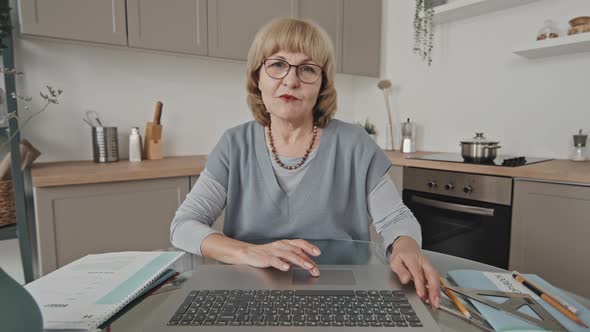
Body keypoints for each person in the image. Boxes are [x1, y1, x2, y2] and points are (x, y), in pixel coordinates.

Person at [171, 18, 441, 308]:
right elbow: (184, 225)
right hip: (250, 292)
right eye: (277, 65)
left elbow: (396, 219)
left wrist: (406, 246)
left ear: (322, 84)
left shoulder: (354, 143)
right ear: (256, 77)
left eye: (308, 69)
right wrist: (247, 252)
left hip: (342, 296)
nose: (291, 80)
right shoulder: (233, 145)